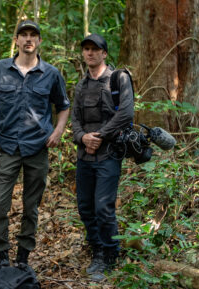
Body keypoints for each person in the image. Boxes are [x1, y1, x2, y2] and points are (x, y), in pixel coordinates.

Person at [0, 20, 70, 267]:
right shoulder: (0, 69)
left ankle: (23, 256)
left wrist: (58, 131)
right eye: (23, 35)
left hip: (37, 147)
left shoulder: (51, 73)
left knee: (31, 207)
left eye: (33, 35)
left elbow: (63, 107)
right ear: (16, 40)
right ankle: (0, 254)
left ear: (39, 41)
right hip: (7, 146)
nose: (28, 39)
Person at [71, 33, 134, 280]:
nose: (90, 53)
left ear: (104, 53)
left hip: (108, 154)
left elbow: (126, 113)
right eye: (86, 49)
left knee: (103, 208)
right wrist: (82, 138)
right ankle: (97, 249)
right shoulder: (81, 85)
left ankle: (110, 253)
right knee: (85, 207)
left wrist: (99, 136)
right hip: (84, 156)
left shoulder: (119, 79)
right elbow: (75, 118)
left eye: (95, 49)